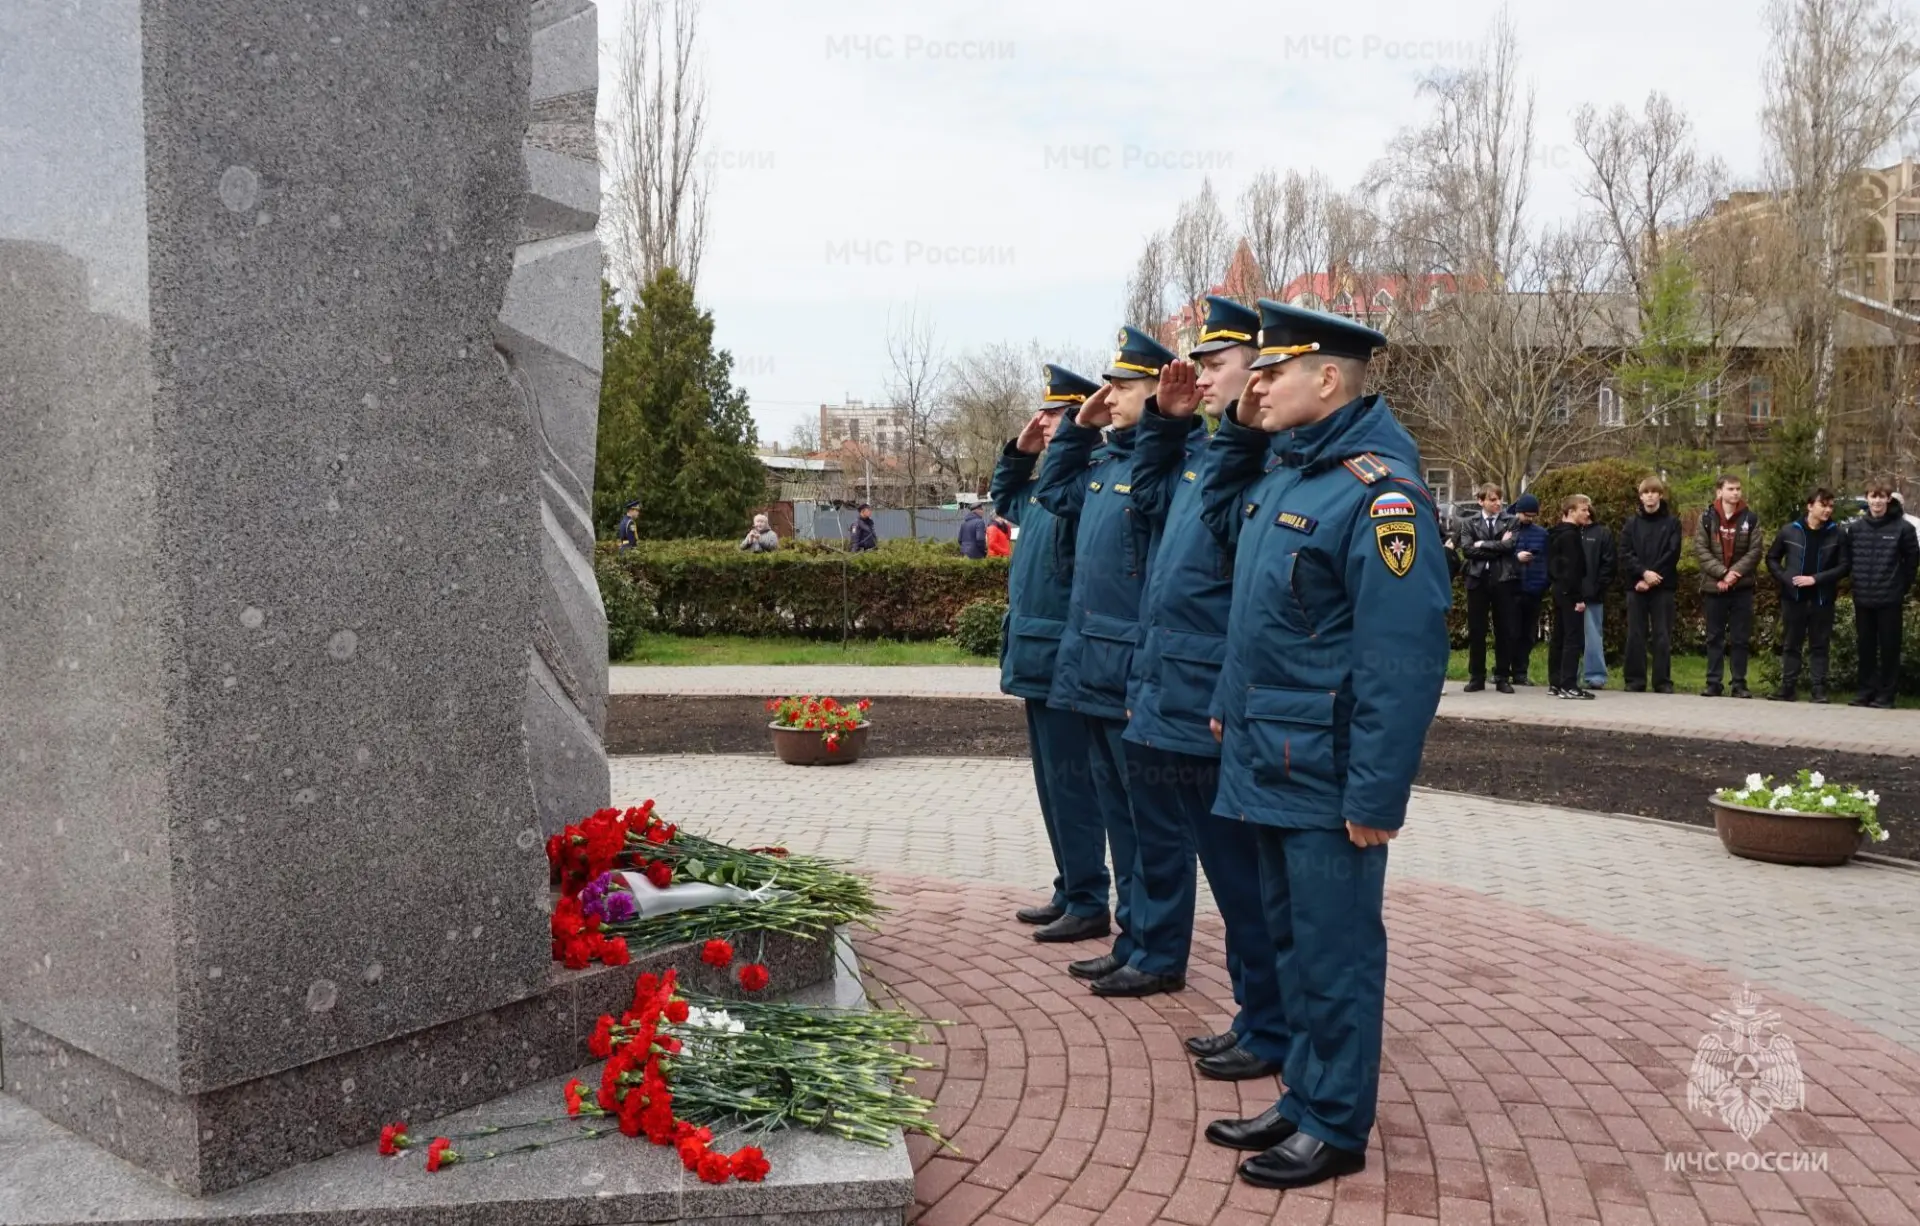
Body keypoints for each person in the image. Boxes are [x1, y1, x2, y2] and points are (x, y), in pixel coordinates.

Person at [1200, 301, 1450, 1191]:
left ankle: (1337, 1123)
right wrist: (1227, 707)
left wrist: (1377, 794)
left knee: (1335, 952)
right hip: (1268, 756)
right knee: (1292, 945)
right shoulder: (1288, 476)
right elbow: (1254, 618)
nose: (1256, 385)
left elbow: (1403, 660)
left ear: (1330, 378)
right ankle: (1304, 1096)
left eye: (1273, 372)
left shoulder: (1382, 496)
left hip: (1327, 772)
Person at [1124, 296, 1290, 1081]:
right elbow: (1148, 503)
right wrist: (1165, 423)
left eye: (1217, 364)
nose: (1202, 376)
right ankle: (1256, 1016)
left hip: (1214, 705)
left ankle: (1271, 1025)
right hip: (1177, 694)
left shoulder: (1265, 459)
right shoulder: (1212, 455)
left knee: (1247, 883)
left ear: (1260, 372)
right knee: (1230, 881)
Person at [1036, 324, 1179, 998]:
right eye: (1110, 385)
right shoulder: (1104, 465)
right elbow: (1052, 493)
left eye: (1123, 386)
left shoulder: (1167, 465)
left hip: (1129, 672)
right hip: (1089, 666)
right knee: (1120, 818)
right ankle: (1133, 938)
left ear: (1160, 392)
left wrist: (1160, 427)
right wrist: (1078, 431)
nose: (1109, 396)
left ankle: (1157, 948)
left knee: (1151, 825)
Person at [993, 365, 1113, 942]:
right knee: (1051, 787)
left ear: (1085, 419)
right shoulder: (1049, 486)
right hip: (1035, 658)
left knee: (1074, 787)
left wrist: (1065, 447)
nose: (1042, 421)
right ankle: (1070, 886)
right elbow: (1007, 498)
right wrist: (1020, 452)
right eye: (1041, 411)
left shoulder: (1087, 482)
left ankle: (1089, 898)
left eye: (1055, 413)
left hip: (1064, 661)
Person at [1765, 487, 1848, 703]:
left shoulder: (1837, 534)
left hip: (1822, 598)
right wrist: (1786, 577)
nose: (1827, 510)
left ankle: (1818, 690)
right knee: (1792, 643)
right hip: (1793, 597)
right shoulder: (1789, 531)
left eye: (1831, 506)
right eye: (1823, 505)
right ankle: (1787, 688)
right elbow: (1772, 558)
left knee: (1820, 645)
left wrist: (1816, 579)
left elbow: (1844, 566)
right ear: (1810, 506)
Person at [1845, 476, 1918, 708]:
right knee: (1865, 648)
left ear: (1888, 499)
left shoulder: (1903, 529)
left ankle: (1886, 695)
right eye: (1873, 497)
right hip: (1863, 598)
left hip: (1889, 599)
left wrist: (1900, 587)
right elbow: (1849, 560)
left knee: (1889, 649)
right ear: (1867, 499)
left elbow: (1911, 562)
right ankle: (1865, 691)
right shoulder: (1856, 529)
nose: (1877, 501)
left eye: (1881, 497)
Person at [1691, 475, 1761, 698]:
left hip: (1742, 587)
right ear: (1719, 492)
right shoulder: (1706, 518)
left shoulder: (1750, 518)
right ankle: (1713, 683)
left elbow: (1755, 551)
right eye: (1731, 489)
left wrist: (1733, 575)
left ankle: (1739, 684)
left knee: (1740, 638)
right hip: (1715, 587)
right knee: (1714, 637)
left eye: (1738, 489)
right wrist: (1722, 573)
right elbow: (1701, 550)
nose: (1736, 492)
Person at [1619, 477, 1680, 693]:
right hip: (1636, 585)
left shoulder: (1672, 523)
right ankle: (1635, 679)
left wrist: (1653, 577)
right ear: (1641, 496)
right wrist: (1643, 574)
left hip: (1662, 586)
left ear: (1660, 495)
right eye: (1646, 492)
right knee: (1635, 633)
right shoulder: (1631, 524)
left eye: (1654, 492)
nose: (1650, 496)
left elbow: (1672, 553)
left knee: (1662, 635)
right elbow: (1625, 553)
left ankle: (1662, 681)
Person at [1458, 483, 1520, 693]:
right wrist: (1497, 547)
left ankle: (1502, 676)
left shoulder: (1511, 521)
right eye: (1492, 499)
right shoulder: (1469, 522)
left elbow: (1510, 547)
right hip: (1478, 579)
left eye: (1499, 499)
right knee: (1477, 630)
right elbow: (1467, 550)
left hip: (1503, 579)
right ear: (1481, 501)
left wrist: (1482, 544)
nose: (1498, 503)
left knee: (1504, 629)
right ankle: (1477, 676)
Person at [1547, 496, 1596, 699]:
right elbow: (1572, 569)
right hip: (1569, 592)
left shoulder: (1555, 533)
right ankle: (1568, 684)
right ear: (1570, 511)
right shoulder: (1571, 536)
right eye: (1583, 510)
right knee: (1572, 638)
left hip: (1558, 590)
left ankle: (1555, 682)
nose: (1587, 513)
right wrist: (1578, 598)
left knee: (1559, 636)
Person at [1509, 494, 1548, 684]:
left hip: (1533, 589)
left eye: (1533, 516)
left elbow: (1547, 560)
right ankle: (1503, 669)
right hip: (1512, 588)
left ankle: (1520, 671)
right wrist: (1516, 557)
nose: (1529, 519)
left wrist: (1543, 583)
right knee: (1510, 632)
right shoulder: (1507, 530)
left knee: (1528, 634)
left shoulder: (1542, 534)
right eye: (1526, 515)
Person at [1579, 506, 1616, 689]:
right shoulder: (1570, 532)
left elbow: (1609, 564)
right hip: (1570, 595)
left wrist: (1596, 588)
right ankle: (1567, 675)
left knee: (1593, 635)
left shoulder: (1602, 533)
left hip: (1592, 595)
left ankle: (1595, 676)